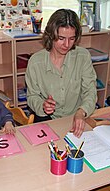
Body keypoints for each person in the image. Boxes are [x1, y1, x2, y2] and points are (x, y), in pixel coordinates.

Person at [25, 9, 97, 137]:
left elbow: (90, 91)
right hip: (47, 119)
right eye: (61, 38)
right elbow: (32, 96)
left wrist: (82, 112)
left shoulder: (82, 56)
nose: (67, 44)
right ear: (51, 35)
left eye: (72, 39)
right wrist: (42, 105)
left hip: (78, 116)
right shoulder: (36, 62)